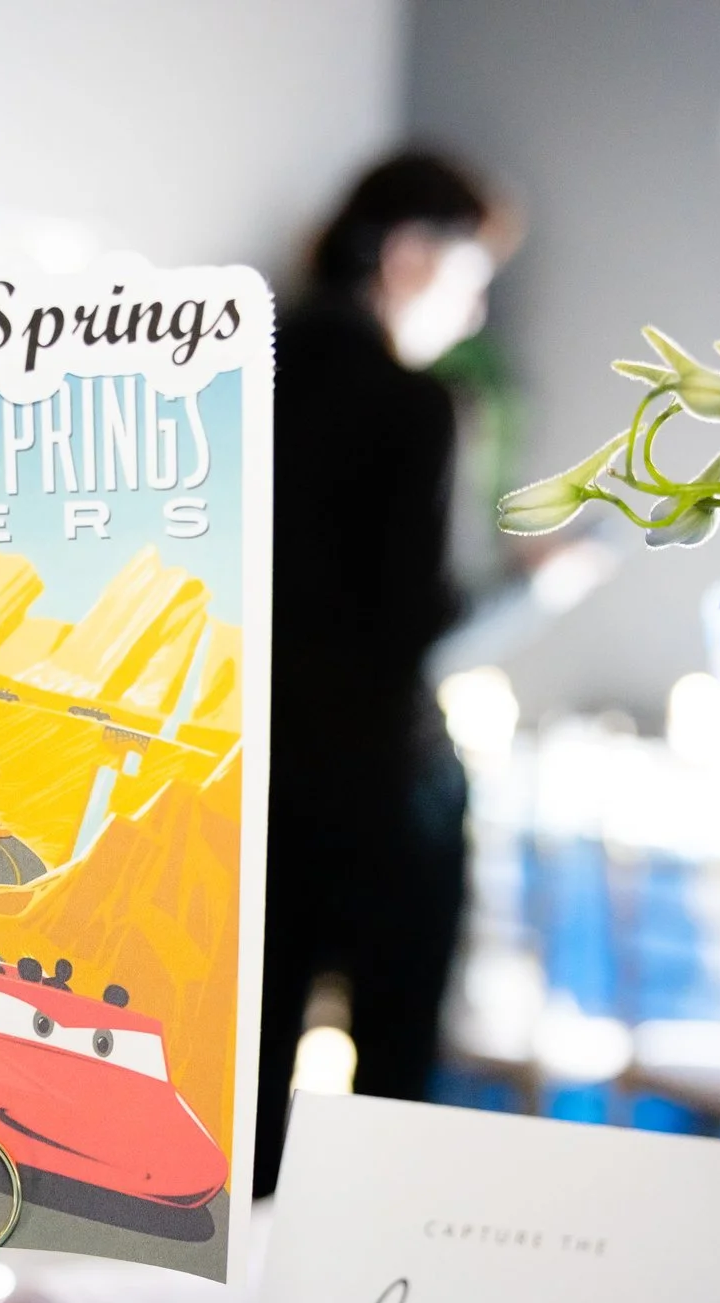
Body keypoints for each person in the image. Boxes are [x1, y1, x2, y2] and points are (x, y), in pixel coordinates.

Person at [254, 152, 508, 1196]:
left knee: (244, 1076)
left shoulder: (232, 384)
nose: (477, 307)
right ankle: (366, 1279)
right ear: (409, 256)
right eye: (472, 276)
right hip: (378, 781)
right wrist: (529, 583)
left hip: (245, 777)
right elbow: (418, 618)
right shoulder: (415, 405)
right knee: (392, 1091)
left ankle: (224, 1284)